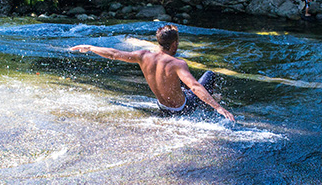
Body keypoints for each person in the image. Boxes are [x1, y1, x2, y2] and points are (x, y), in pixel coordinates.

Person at [70, 24, 235, 122]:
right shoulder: (178, 63)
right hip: (182, 109)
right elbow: (195, 86)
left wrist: (90, 47)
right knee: (209, 75)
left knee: (182, 82)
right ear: (175, 44)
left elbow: (113, 54)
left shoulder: (143, 56)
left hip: (163, 107)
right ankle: (210, 102)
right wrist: (219, 108)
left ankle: (209, 99)